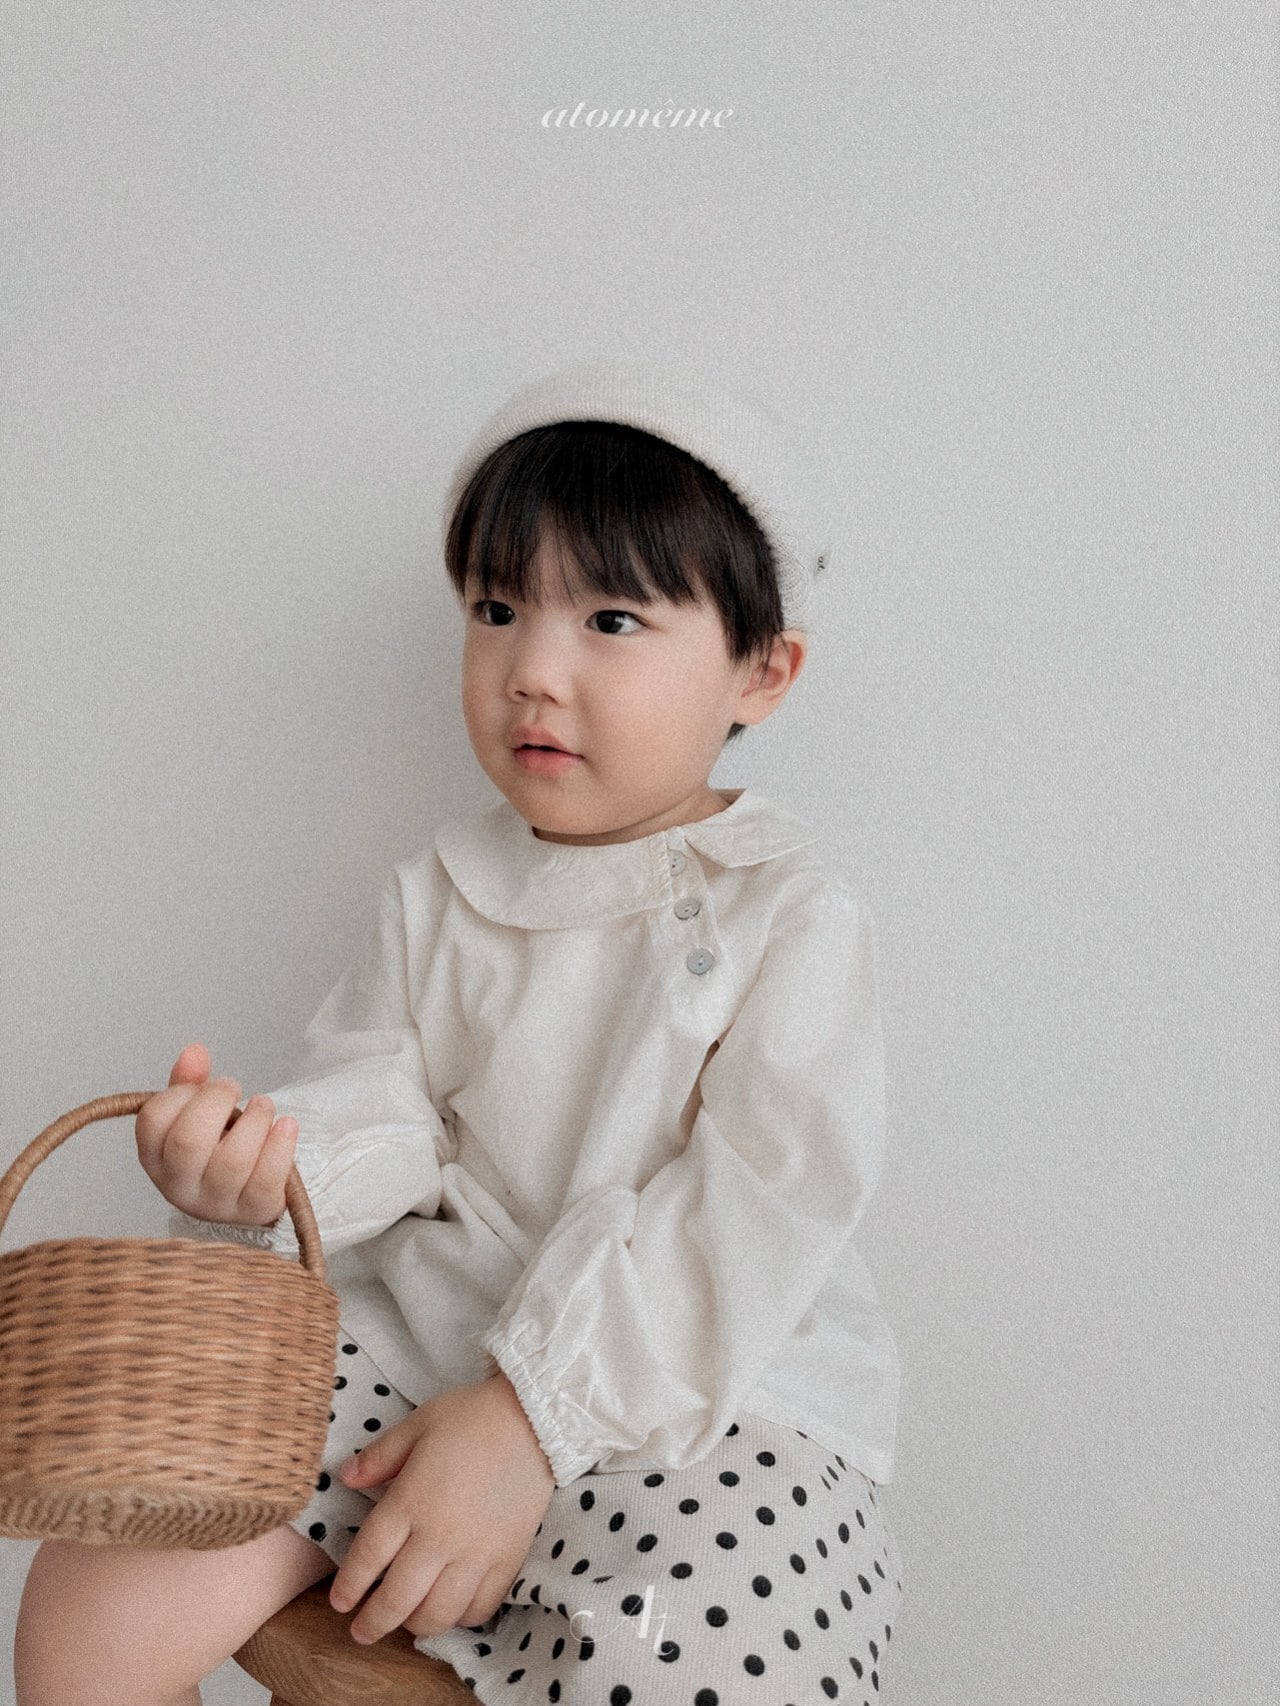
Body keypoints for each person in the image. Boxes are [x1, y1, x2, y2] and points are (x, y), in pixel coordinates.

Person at [14, 361, 903, 1706]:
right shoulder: (441, 888)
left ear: (761, 671)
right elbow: (388, 1108)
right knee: (99, 1593)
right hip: (423, 1340)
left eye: (610, 617)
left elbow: (757, 1209)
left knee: (713, 1653)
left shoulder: (790, 914)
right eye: (495, 611)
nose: (531, 671)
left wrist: (532, 1415)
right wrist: (265, 1169)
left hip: (696, 1389)